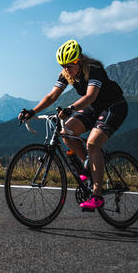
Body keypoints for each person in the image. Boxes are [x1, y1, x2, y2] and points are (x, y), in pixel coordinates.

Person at [18, 39, 128, 209]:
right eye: (62, 66)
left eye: (68, 65)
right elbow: (52, 96)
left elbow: (90, 96)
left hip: (113, 107)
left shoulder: (94, 69)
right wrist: (32, 111)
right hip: (94, 108)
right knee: (66, 132)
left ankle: (97, 196)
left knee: (92, 143)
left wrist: (70, 108)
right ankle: (90, 170)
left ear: (78, 61)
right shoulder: (66, 73)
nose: (65, 70)